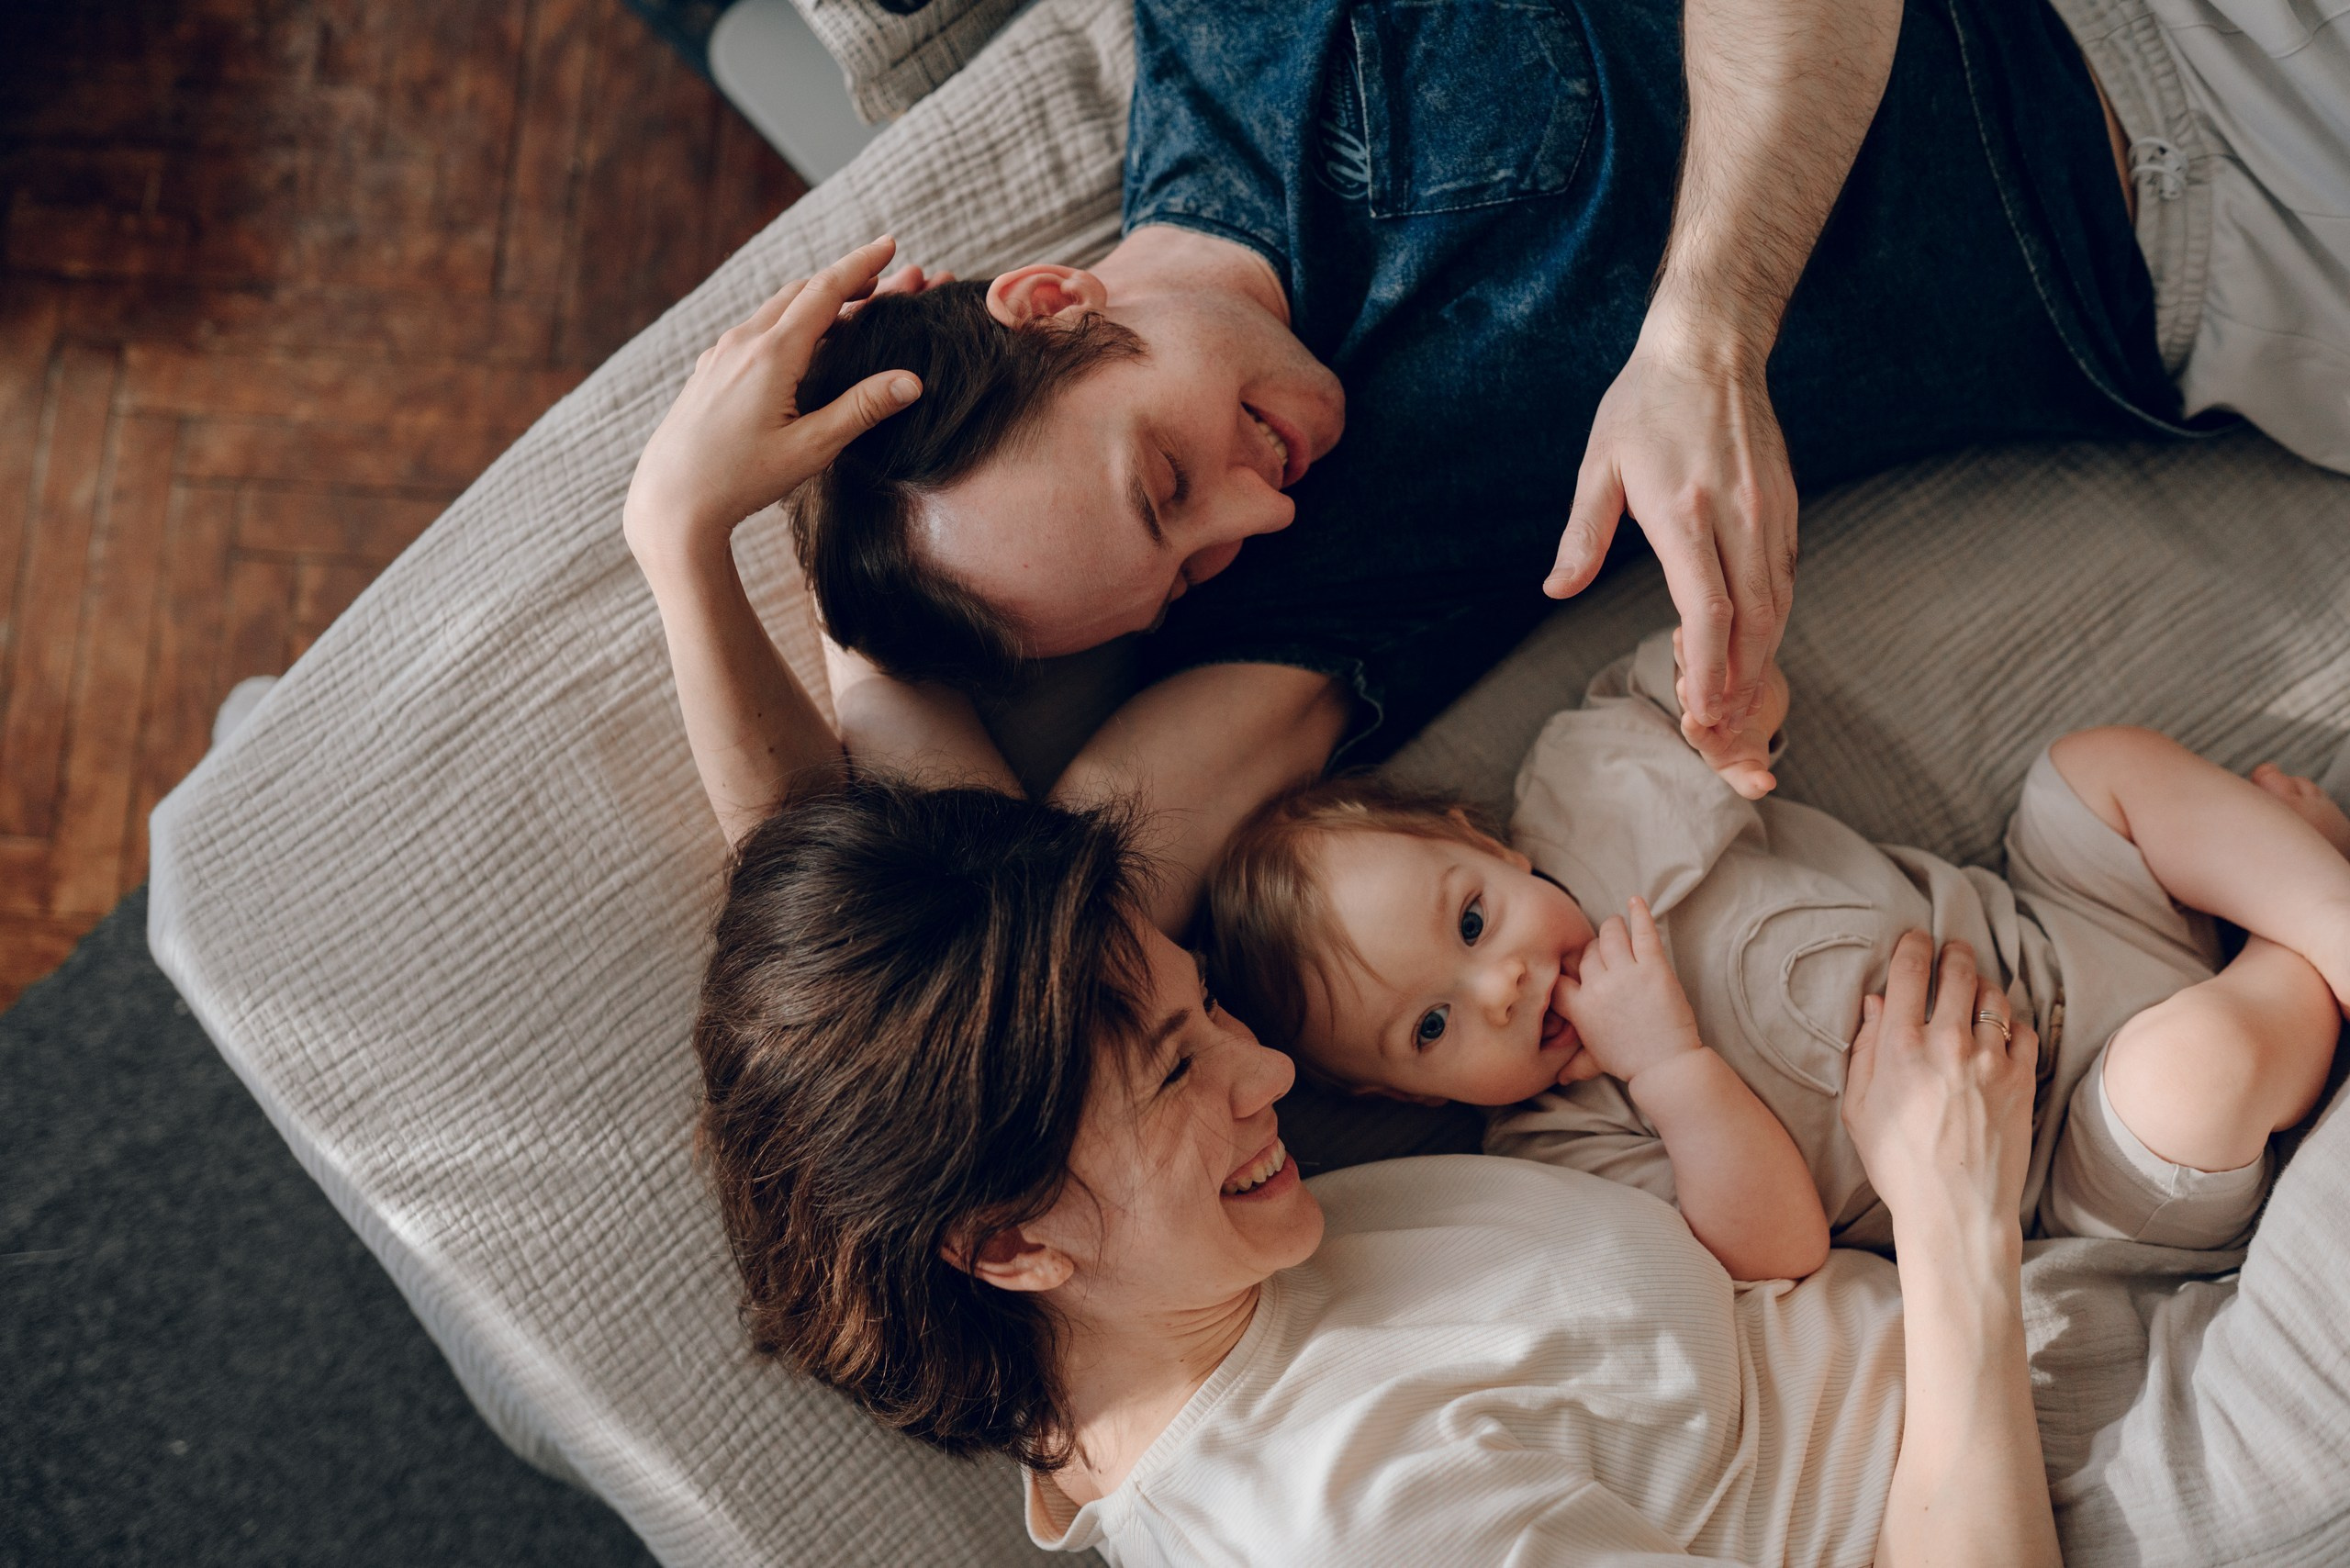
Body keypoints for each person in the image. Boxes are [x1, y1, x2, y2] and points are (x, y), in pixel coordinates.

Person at [774, 0, 2350, 934]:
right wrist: (800, 584)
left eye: (1164, 483)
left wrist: (1702, 341)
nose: (1261, 505)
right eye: (1192, 566)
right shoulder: (1328, 566)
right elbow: (999, 941)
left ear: (1049, 304)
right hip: (2248, 262)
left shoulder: (1250, 26)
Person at [1203, 628, 2350, 1268]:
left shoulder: (1591, 793)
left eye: (1469, 919)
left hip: (2049, 920)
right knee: (2191, 1071)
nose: (1499, 985)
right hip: (2070, 1148)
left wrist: (1730, 701)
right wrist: (1667, 1069)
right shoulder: (1564, 1144)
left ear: (1480, 840)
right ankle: (2281, 945)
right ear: (1383, 1088)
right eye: (1432, 1026)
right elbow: (1774, 1250)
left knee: (2094, 763)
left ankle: (2319, 919)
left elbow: (1685, 673)